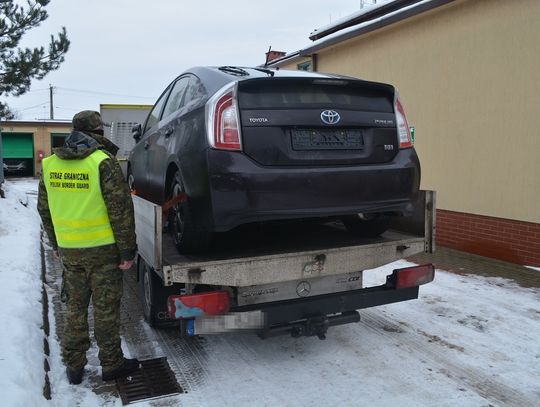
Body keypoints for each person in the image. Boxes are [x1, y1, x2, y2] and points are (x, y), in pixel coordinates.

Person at [37, 110, 139, 384]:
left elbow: (44, 209)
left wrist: (56, 242)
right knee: (106, 311)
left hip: (71, 252)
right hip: (104, 252)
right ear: (98, 133)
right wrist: (128, 251)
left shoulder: (49, 165)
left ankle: (74, 366)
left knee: (74, 309)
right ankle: (112, 364)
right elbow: (120, 211)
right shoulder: (102, 162)